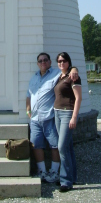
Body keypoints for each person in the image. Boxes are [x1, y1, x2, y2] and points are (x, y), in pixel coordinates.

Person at [26, 52, 79, 183]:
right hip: (35, 119)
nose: (43, 62)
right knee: (36, 144)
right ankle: (42, 172)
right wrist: (28, 110)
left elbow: (67, 69)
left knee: (55, 145)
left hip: (49, 117)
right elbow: (29, 95)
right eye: (40, 61)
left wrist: (74, 69)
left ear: (49, 62)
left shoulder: (56, 74)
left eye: (45, 60)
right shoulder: (33, 78)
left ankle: (55, 172)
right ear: (37, 63)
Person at [54, 51, 82, 192]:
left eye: (64, 61)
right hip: (57, 113)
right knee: (68, 147)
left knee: (62, 147)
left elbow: (78, 98)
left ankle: (65, 181)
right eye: (59, 61)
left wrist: (74, 117)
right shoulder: (60, 76)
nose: (61, 63)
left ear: (68, 62)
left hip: (67, 113)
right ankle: (72, 177)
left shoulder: (73, 77)